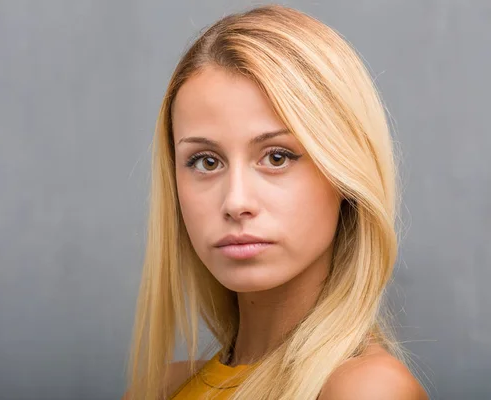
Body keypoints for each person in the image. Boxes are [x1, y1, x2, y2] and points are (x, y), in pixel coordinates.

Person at [122, 4, 428, 399]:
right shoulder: (160, 389)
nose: (235, 201)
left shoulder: (364, 389)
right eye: (206, 161)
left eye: (277, 157)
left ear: (345, 174)